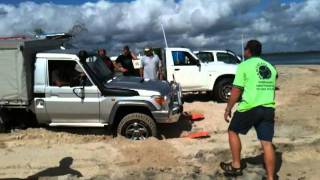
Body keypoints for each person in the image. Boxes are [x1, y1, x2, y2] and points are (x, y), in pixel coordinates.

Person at [220, 40, 277, 180]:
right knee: (267, 143)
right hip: (268, 108)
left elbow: (236, 90)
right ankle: (270, 177)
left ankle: (236, 165)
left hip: (250, 107)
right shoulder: (270, 67)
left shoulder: (244, 66)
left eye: (245, 49)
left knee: (232, 131)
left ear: (248, 51)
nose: (244, 52)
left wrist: (228, 108)